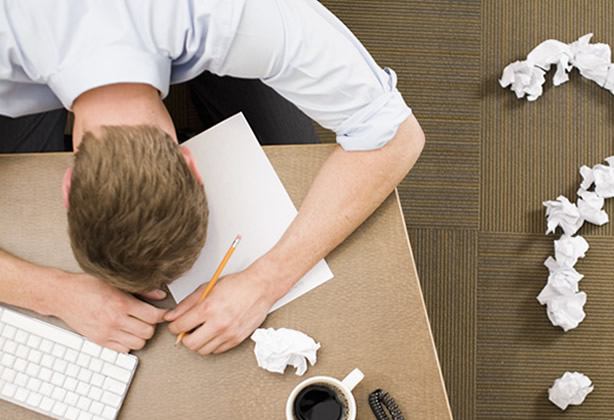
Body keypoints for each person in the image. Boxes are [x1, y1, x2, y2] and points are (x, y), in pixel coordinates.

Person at [0, 0, 424, 355]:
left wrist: (267, 280)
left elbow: (398, 137)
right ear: (191, 163)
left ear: (70, 188)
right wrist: (51, 292)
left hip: (205, 32)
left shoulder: (236, 16)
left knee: (291, 152)